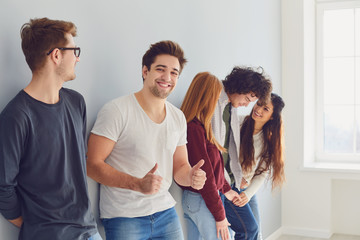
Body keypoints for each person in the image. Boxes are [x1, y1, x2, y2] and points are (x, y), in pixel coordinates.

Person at [86, 40, 207, 240]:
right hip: (124, 216)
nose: (167, 77)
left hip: (165, 212)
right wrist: (137, 184)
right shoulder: (117, 110)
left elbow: (180, 168)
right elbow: (92, 165)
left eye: (174, 72)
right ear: (145, 71)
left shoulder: (178, 117)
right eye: (161, 69)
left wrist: (191, 178)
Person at [0, 18, 101, 240]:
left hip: (88, 231)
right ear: (56, 55)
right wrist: (37, 226)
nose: (78, 58)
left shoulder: (76, 103)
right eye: (74, 51)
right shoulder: (16, 116)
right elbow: (3, 187)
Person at [211, 66, 272, 240]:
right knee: (248, 229)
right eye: (247, 99)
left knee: (254, 230)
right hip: (223, 183)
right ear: (238, 87)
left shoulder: (232, 109)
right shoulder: (220, 105)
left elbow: (261, 170)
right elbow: (215, 149)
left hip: (235, 183)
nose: (249, 105)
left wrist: (240, 180)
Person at [180, 72, 242, 240]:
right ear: (205, 97)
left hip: (199, 199)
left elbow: (214, 168)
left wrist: (227, 190)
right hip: (201, 199)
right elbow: (205, 174)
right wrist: (220, 216)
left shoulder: (202, 127)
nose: (218, 103)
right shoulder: (193, 129)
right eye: (216, 98)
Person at [227, 93, 286, 239]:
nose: (258, 109)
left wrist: (247, 194)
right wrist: (236, 178)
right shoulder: (237, 124)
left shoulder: (269, 139)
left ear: (272, 116)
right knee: (247, 230)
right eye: (259, 103)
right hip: (231, 185)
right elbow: (224, 157)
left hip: (247, 189)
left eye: (266, 109)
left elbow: (262, 172)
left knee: (257, 233)